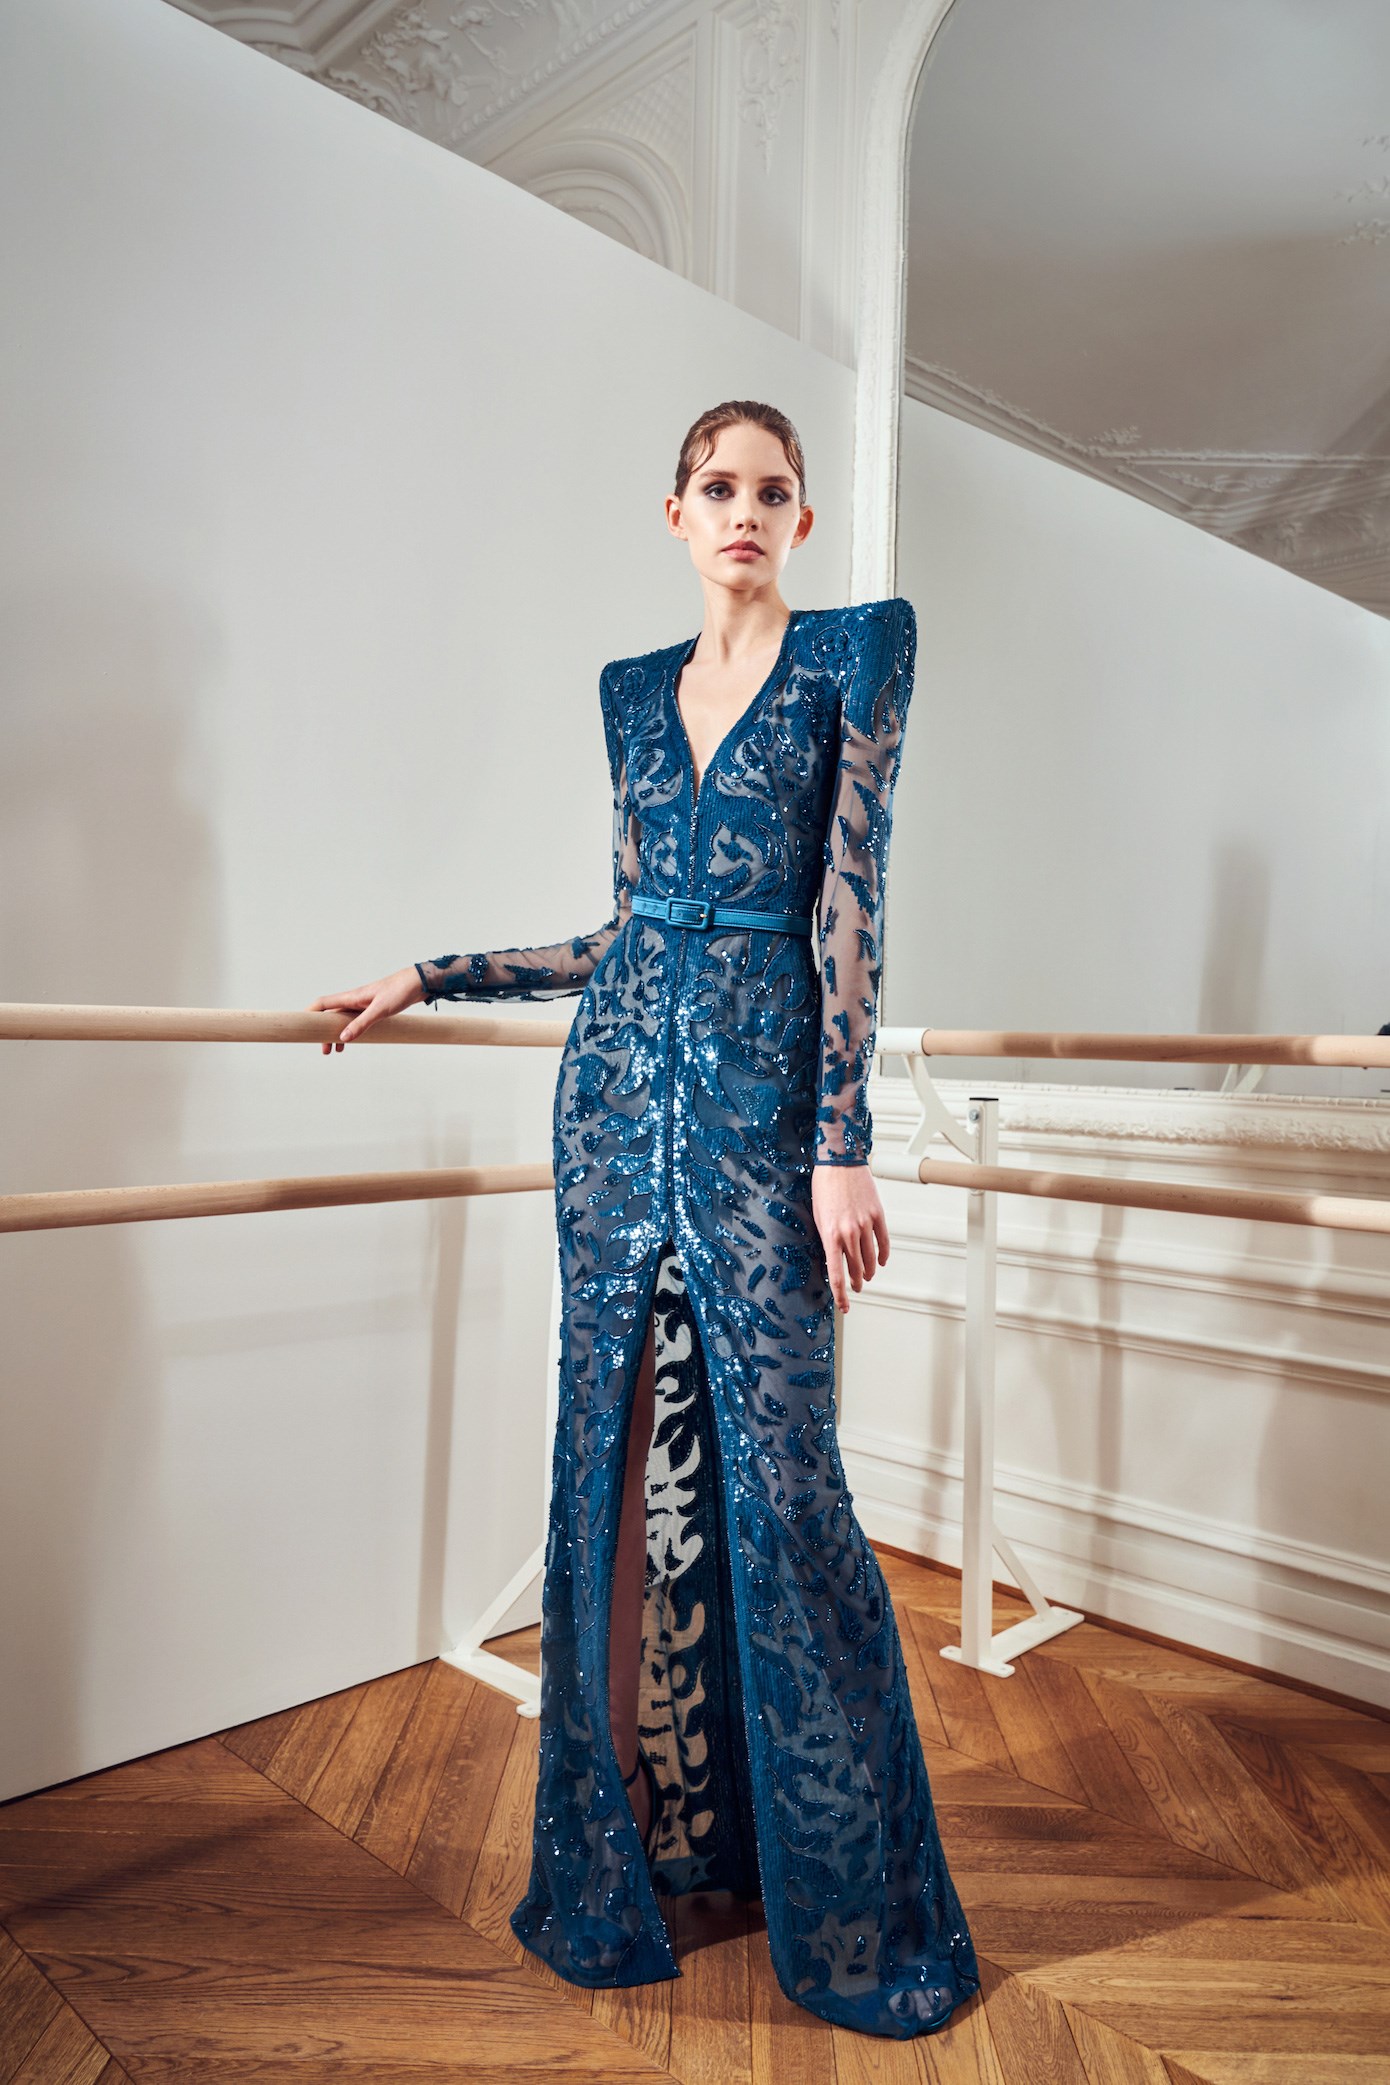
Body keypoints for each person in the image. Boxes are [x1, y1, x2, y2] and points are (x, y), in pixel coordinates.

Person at [309, 401, 980, 2039]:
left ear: (800, 521)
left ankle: (854, 1900)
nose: (743, 510)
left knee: (788, 1484)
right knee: (607, 1463)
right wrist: (437, 972)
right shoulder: (627, 692)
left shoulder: (853, 656)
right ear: (672, 512)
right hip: (612, 1104)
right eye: (716, 488)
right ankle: (626, 1866)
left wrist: (841, 1142)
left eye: (771, 491)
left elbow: (849, 909)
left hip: (762, 1120)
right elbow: (621, 928)